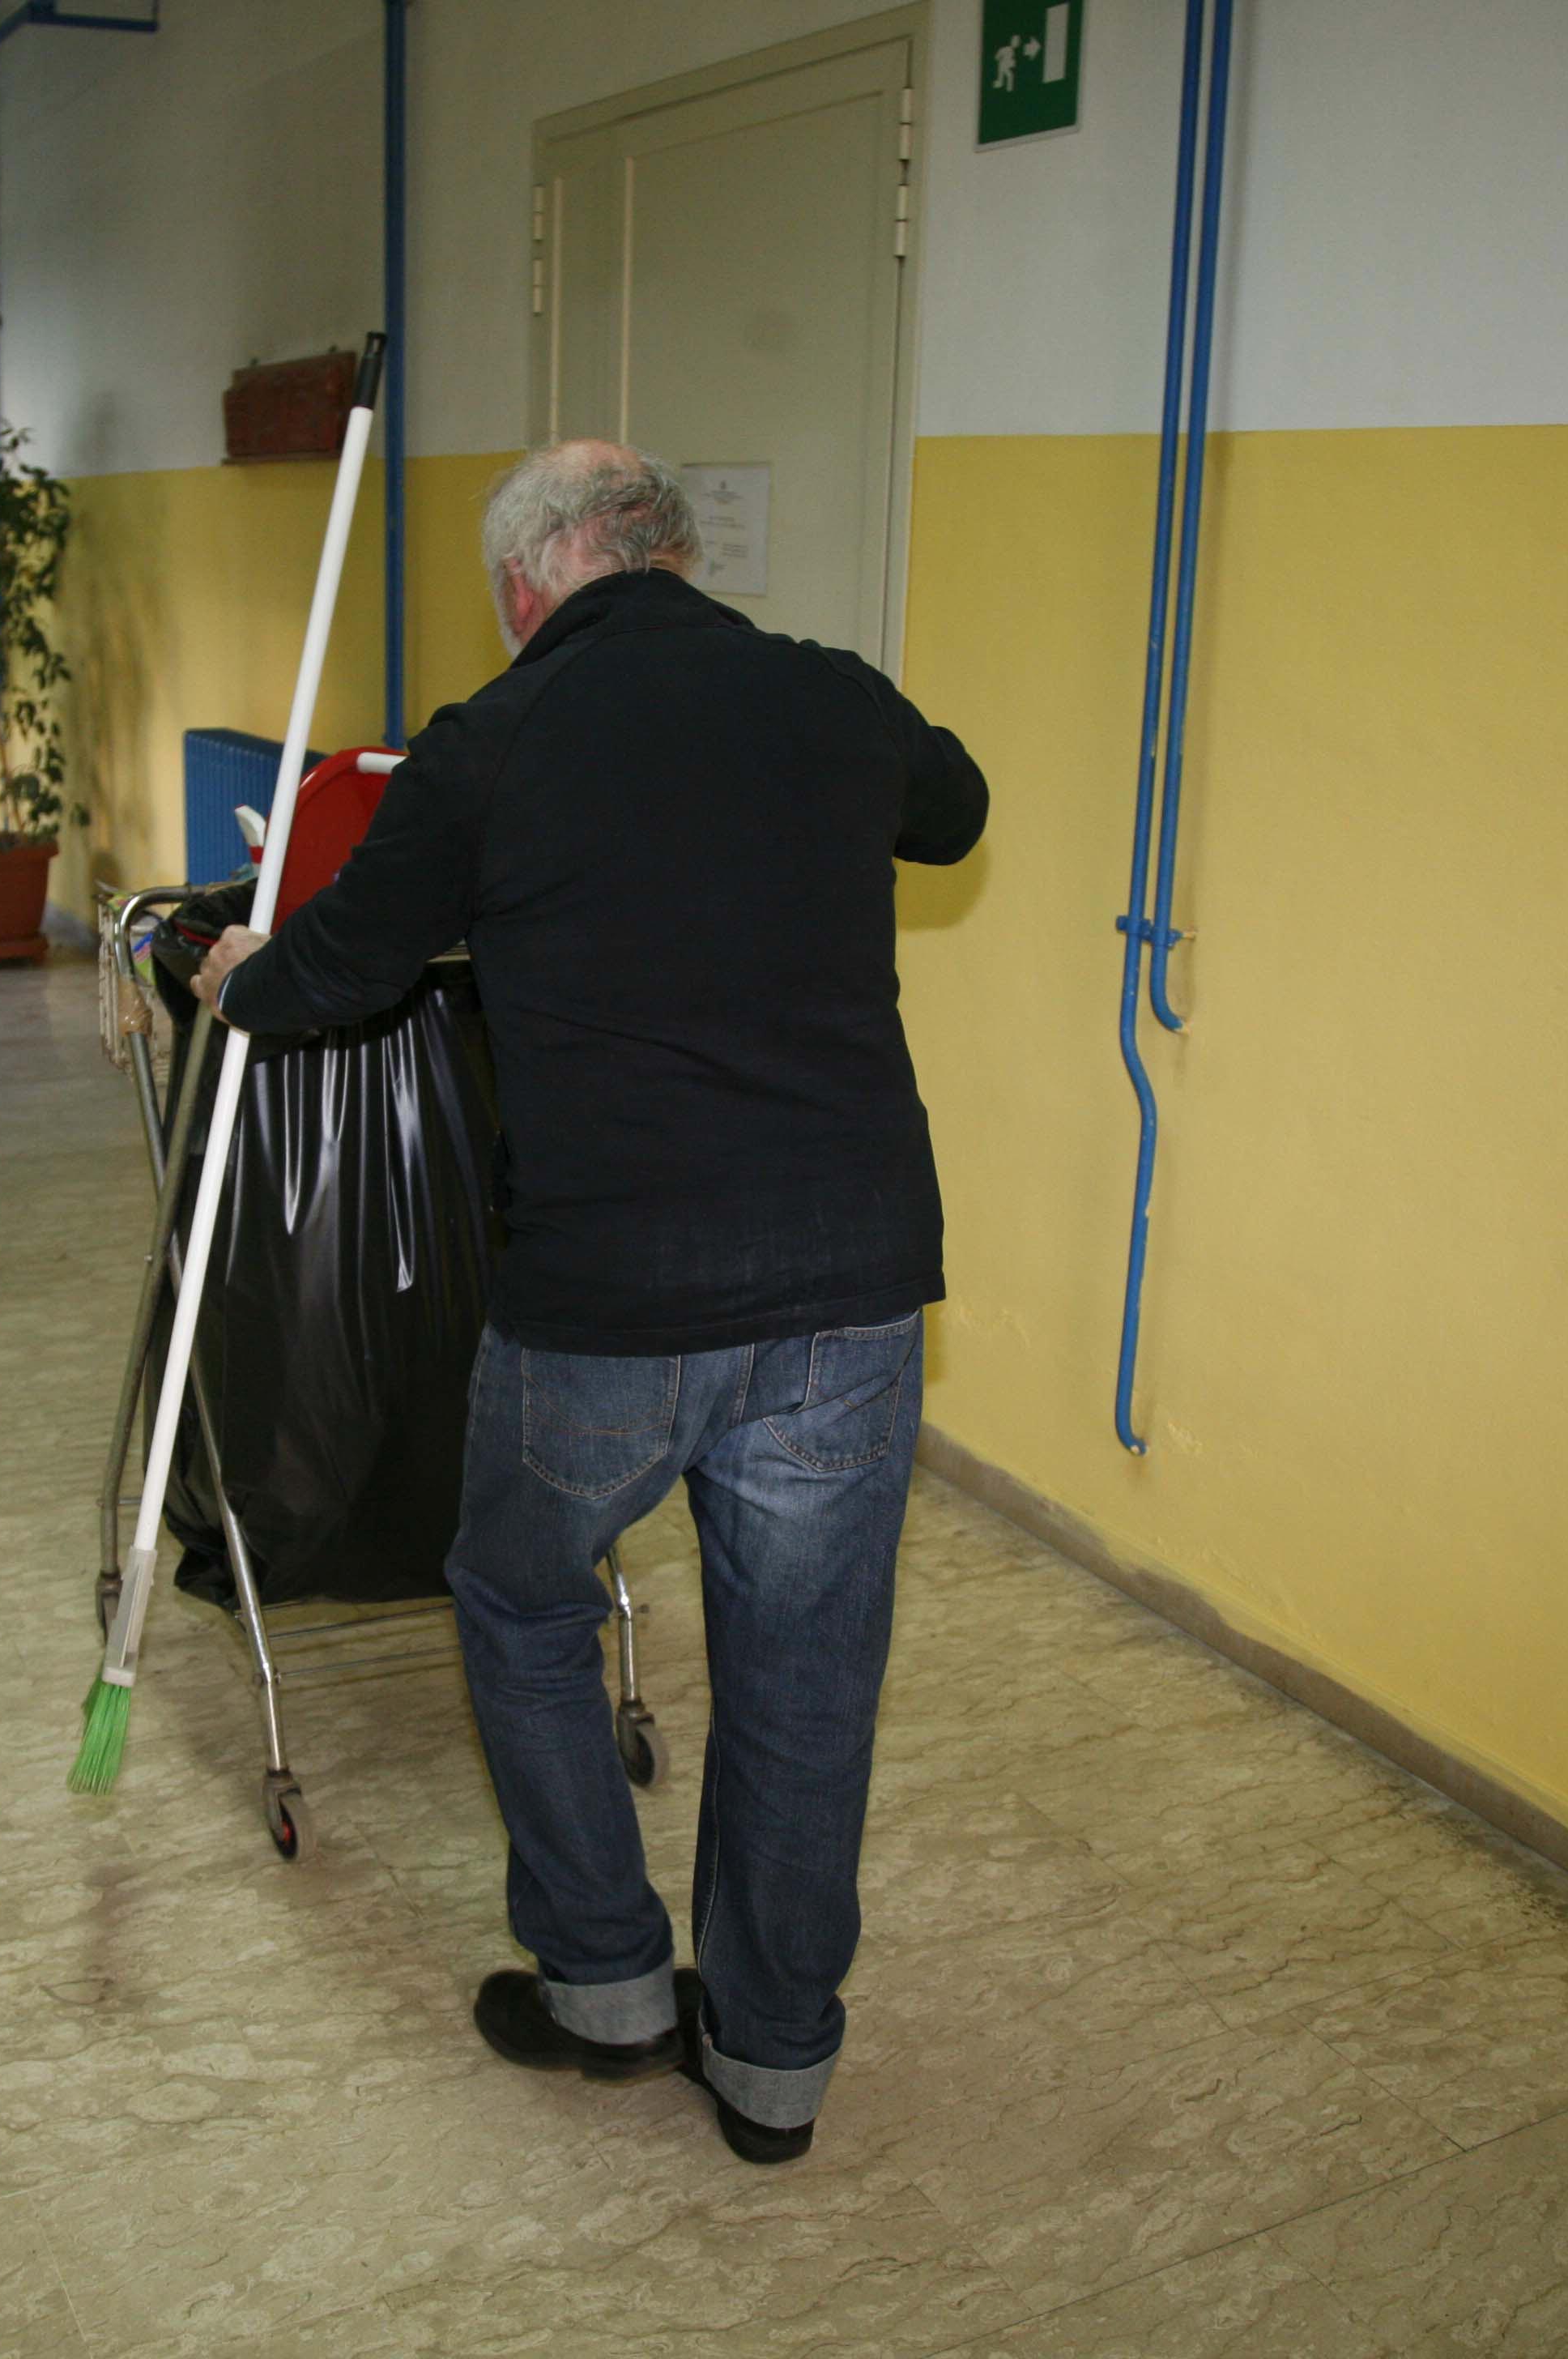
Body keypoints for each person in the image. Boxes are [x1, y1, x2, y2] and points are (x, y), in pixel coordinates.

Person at [200, 442, 988, 2165]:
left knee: (523, 1590)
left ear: (529, 582)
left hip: (612, 1302)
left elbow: (340, 970)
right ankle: (775, 2064)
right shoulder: (831, 698)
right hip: (851, 1288)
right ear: (680, 560)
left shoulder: (493, 744)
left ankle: (610, 1980)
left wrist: (237, 970)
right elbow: (958, 809)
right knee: (805, 1677)